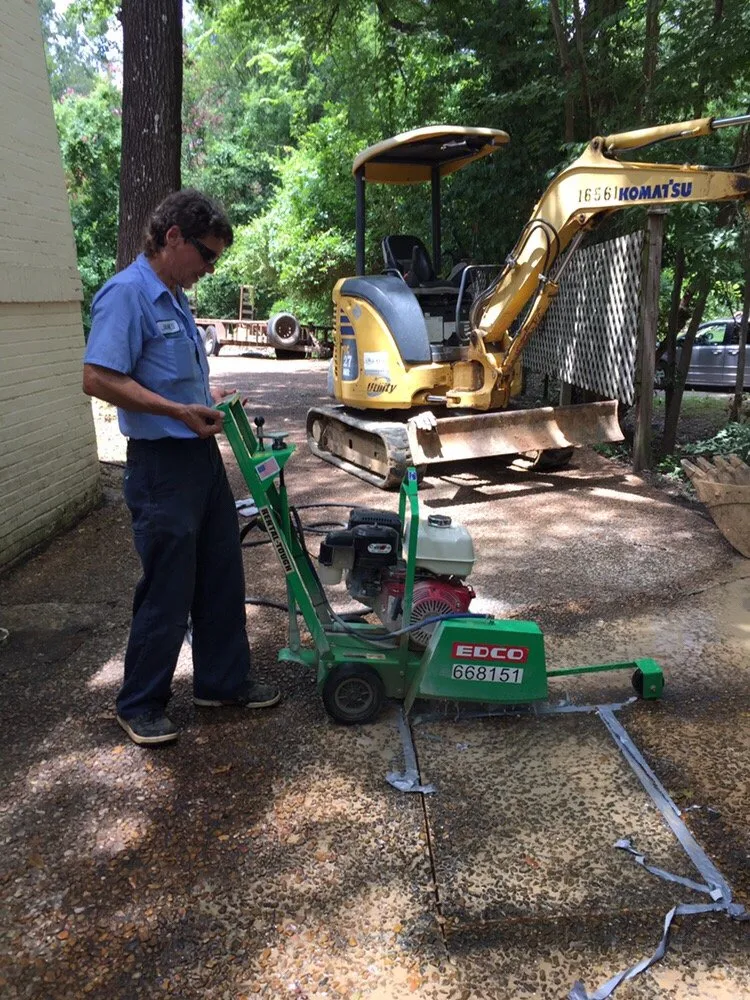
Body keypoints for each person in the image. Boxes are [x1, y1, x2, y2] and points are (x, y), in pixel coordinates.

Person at [83, 189, 280, 747]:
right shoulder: (127, 294)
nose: (210, 268)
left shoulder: (174, 296)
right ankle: (140, 703)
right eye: (207, 255)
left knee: (221, 573)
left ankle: (221, 682)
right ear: (173, 237)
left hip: (200, 459)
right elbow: (98, 377)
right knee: (168, 587)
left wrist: (205, 395)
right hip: (161, 466)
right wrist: (176, 412)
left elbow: (164, 375)